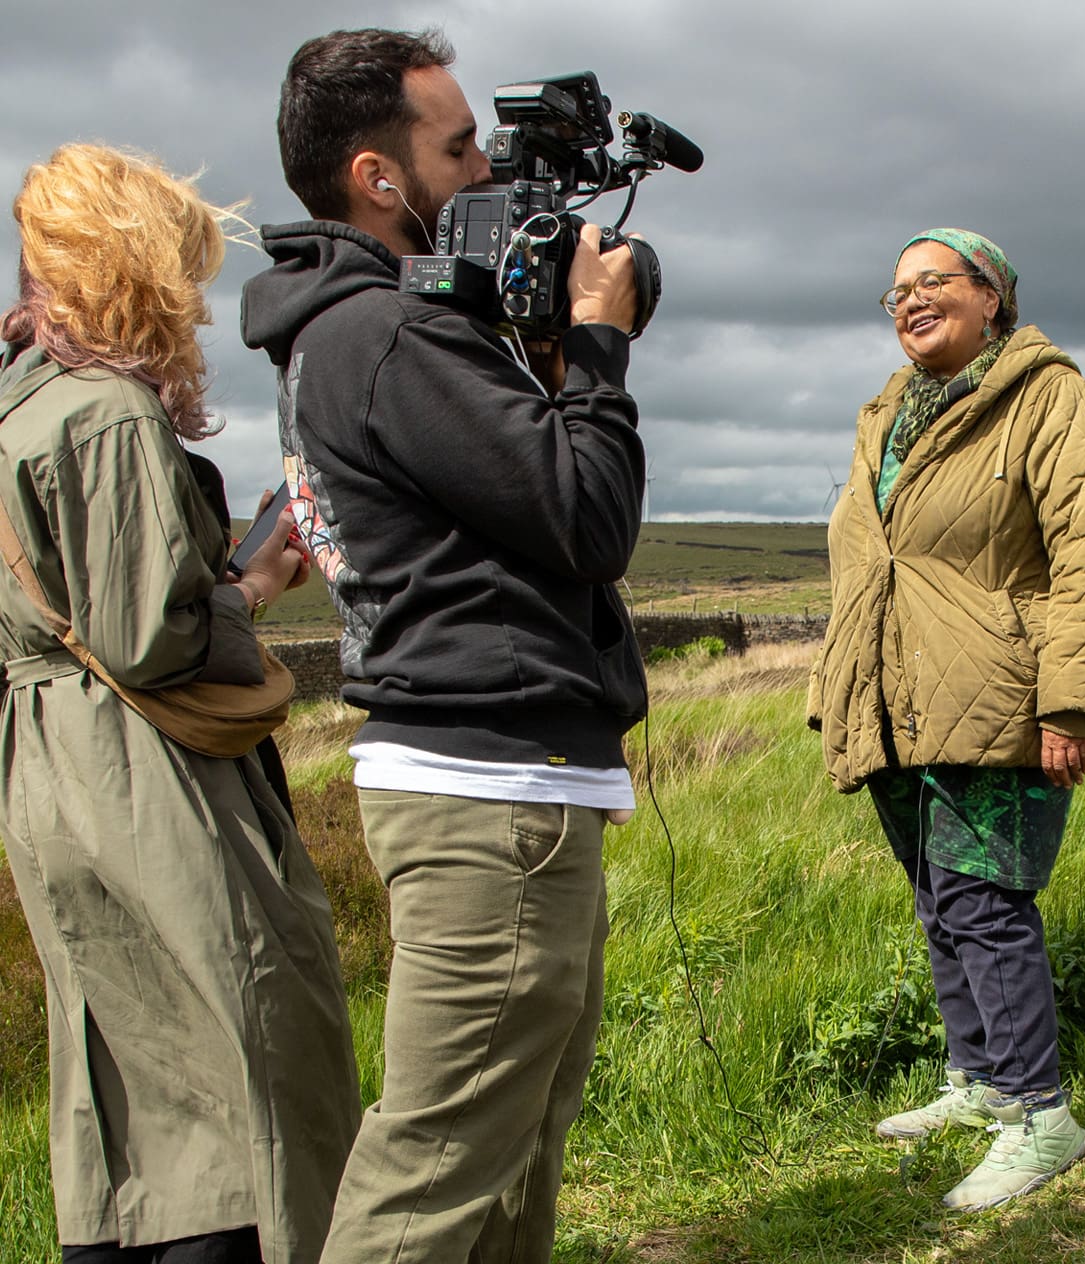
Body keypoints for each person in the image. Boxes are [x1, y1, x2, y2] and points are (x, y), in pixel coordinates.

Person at [240, 28, 647, 1264]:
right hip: (491, 790)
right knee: (433, 1168)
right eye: (459, 146)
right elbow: (587, 519)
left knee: (510, 1146)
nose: (484, 173)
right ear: (376, 176)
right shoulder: (387, 336)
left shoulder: (361, 334)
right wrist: (598, 345)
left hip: (498, 779)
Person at [0, 144, 361, 1264]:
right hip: (142, 769)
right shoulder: (106, 412)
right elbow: (150, 639)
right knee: (243, 1046)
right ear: (136, 264)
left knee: (125, 1069)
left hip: (47, 765)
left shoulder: (18, 401)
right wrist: (250, 584)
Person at [808, 228, 1085, 1211]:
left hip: (999, 694)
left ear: (990, 296)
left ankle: (1040, 1117)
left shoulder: (1049, 399)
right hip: (895, 695)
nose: (909, 299)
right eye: (896, 290)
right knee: (938, 899)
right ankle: (981, 1080)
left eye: (931, 281)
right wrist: (841, 685)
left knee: (985, 903)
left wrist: (1069, 703)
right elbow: (867, 559)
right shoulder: (886, 414)